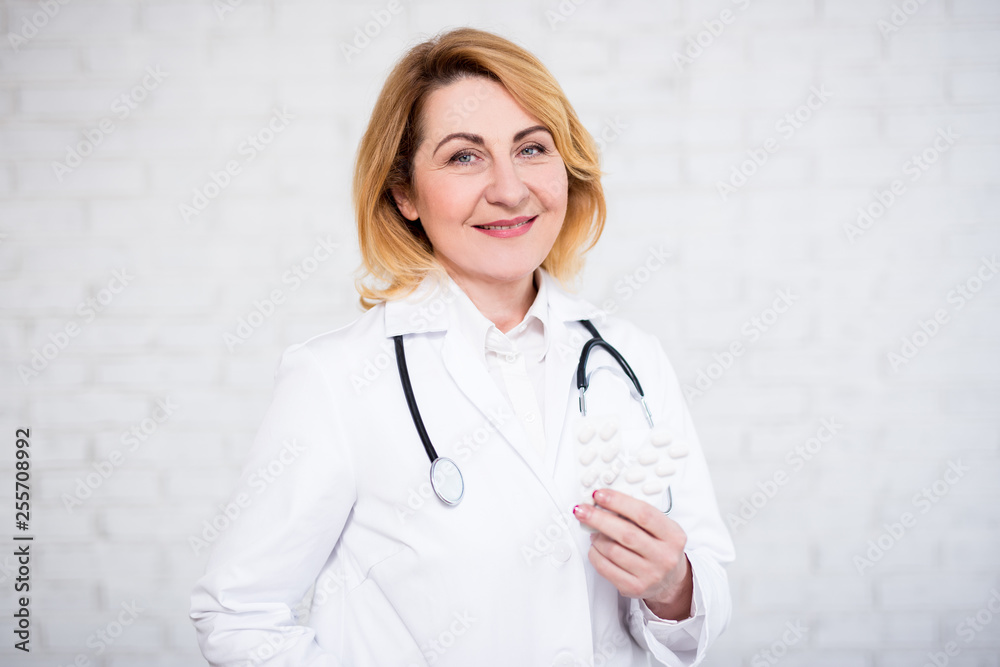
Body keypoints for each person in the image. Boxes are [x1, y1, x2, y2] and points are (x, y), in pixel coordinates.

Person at [190, 26, 734, 667]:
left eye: (532, 149)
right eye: (463, 157)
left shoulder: (632, 360)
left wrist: (676, 589)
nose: (509, 189)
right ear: (403, 193)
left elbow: (702, 597)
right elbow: (238, 616)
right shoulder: (336, 379)